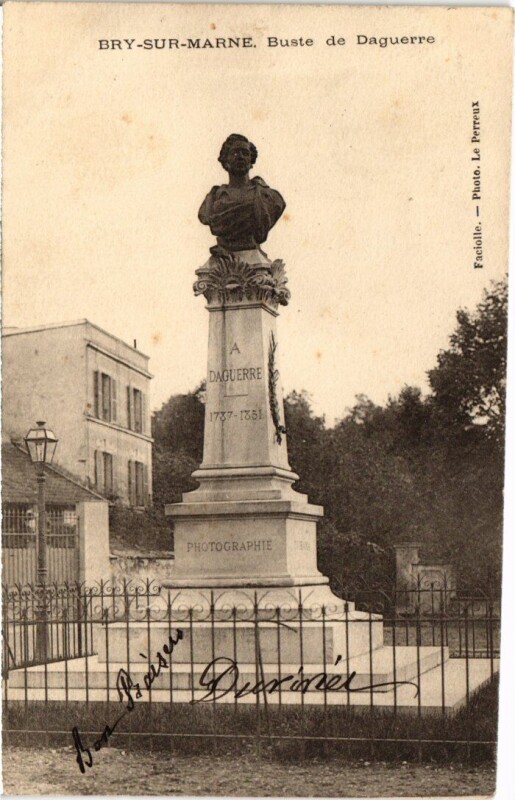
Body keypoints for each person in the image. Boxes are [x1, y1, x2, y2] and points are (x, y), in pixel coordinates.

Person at [198, 133, 286, 252]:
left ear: (251, 161)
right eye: (235, 153)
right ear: (225, 160)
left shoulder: (269, 198)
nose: (240, 157)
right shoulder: (213, 198)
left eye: (245, 153)